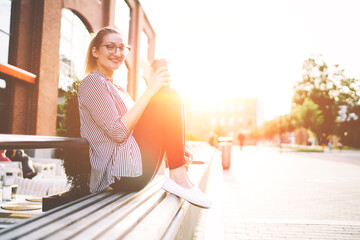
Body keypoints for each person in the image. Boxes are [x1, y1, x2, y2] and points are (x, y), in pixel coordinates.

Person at [78, 27, 211, 208]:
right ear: (95, 51)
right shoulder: (92, 83)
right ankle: (178, 177)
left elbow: (143, 128)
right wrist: (150, 90)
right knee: (168, 95)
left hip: (136, 168)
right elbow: (118, 132)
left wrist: (176, 152)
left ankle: (179, 174)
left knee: (167, 95)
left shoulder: (119, 89)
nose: (117, 53)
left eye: (122, 48)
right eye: (110, 47)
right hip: (120, 174)